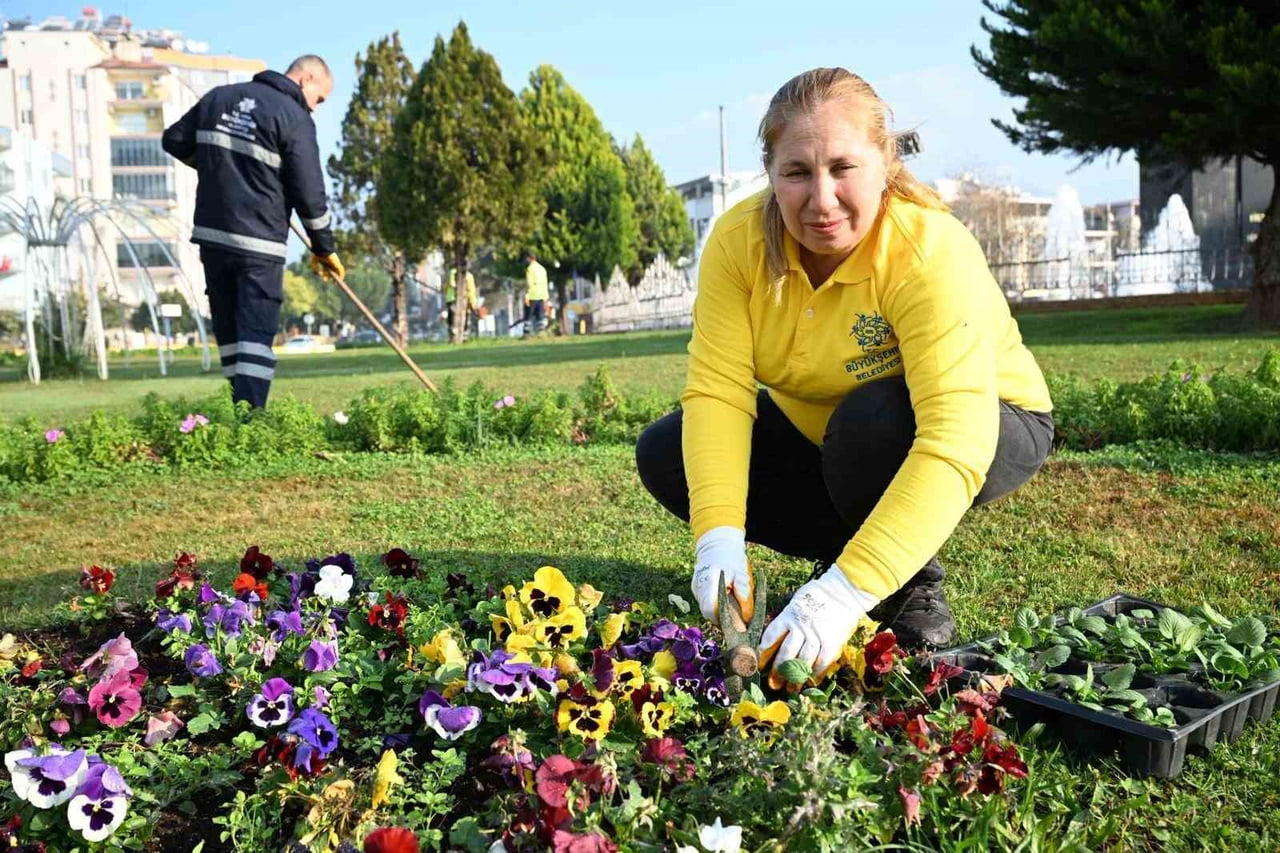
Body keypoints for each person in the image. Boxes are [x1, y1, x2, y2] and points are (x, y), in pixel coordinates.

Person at [634, 68, 1054, 683]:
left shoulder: (927, 248)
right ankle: (846, 553)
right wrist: (717, 537)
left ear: (885, 162)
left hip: (987, 424)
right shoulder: (736, 242)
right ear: (770, 172)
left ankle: (905, 585)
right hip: (825, 429)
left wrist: (845, 594)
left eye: (843, 167)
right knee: (668, 451)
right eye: (797, 172)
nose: (821, 199)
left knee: (871, 423)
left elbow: (954, 441)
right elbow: (719, 394)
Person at [162, 55, 343, 408]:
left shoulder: (219, 97)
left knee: (230, 335)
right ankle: (251, 421)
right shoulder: (295, 118)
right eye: (319, 99)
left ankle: (238, 412)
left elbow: (175, 141)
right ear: (306, 79)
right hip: (259, 245)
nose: (317, 108)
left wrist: (221, 168)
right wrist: (324, 247)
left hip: (213, 239)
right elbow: (309, 193)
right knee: (255, 337)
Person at [445, 267, 478, 340]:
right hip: (461, 301)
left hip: (452, 300)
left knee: (452, 321)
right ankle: (462, 337)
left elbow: (448, 285)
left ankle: (453, 337)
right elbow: (471, 292)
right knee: (463, 320)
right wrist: (473, 305)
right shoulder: (468, 276)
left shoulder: (452, 272)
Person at [523, 250, 549, 336]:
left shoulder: (530, 269)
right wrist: (546, 297)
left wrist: (527, 296)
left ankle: (527, 333)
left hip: (533, 295)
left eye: (526, 258)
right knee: (540, 315)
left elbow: (529, 284)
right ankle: (541, 333)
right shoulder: (542, 269)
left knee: (529, 315)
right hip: (541, 295)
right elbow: (545, 283)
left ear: (529, 258)